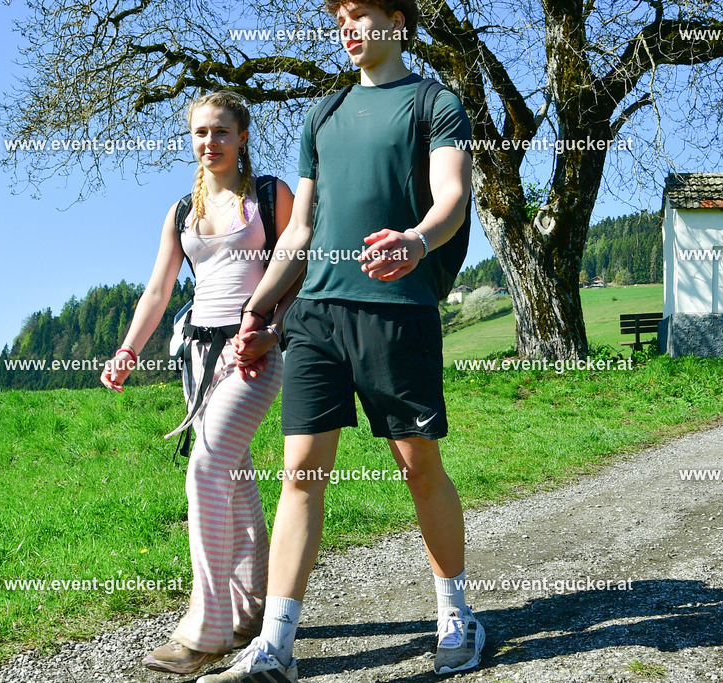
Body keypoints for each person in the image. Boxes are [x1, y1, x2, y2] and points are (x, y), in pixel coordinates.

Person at [198, 2, 482, 681]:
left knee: (419, 467)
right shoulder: (322, 113)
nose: (348, 28)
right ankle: (275, 645)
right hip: (316, 315)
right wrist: (258, 308)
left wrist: (416, 240)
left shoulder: (434, 103)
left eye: (361, 13)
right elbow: (299, 231)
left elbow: (453, 196)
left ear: (397, 21)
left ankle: (456, 615)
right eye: (341, 18)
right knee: (300, 473)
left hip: (397, 310)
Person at [101, 91, 297, 675]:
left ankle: (206, 629)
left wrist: (271, 331)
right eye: (199, 132)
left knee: (207, 467)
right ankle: (251, 611)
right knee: (233, 476)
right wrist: (128, 350)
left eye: (220, 131)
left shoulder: (269, 195)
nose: (209, 141)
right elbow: (158, 289)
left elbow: (299, 268)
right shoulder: (181, 211)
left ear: (242, 136)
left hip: (254, 353)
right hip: (198, 354)